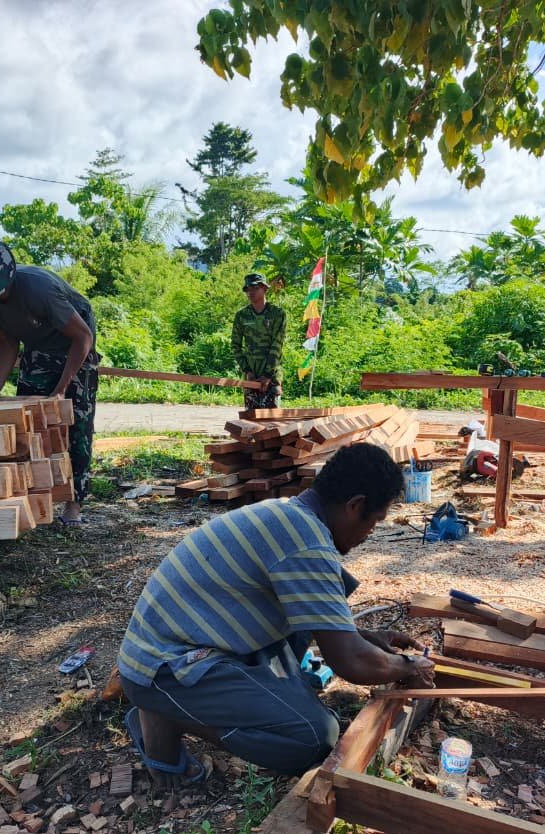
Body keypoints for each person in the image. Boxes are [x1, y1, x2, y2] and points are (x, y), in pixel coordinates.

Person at [117, 443, 435, 785]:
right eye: (373, 522)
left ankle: (199, 706)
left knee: (319, 606)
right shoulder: (306, 543)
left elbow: (322, 616)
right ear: (355, 506)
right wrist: (407, 666)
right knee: (314, 737)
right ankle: (166, 716)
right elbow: (350, 663)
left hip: (178, 649)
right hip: (163, 667)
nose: (368, 534)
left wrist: (363, 639)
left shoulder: (290, 516)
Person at [0, 242, 98, 524]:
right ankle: (36, 499)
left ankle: (74, 505)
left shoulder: (39, 289)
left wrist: (61, 388)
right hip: (36, 348)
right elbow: (6, 341)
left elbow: (83, 337)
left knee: (75, 424)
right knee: (30, 425)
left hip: (75, 347)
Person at [232, 272, 286, 410]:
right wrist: (247, 371)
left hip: (272, 377)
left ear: (265, 289)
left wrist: (267, 375)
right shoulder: (242, 316)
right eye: (248, 290)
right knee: (251, 422)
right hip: (251, 377)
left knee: (272, 424)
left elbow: (277, 346)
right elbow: (235, 346)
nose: (251, 292)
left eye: (255, 288)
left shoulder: (277, 314)